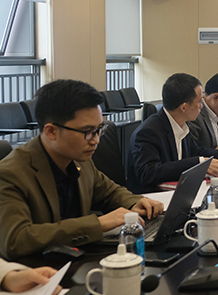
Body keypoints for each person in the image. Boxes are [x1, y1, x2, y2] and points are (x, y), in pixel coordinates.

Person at [0, 80, 164, 260]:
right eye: (87, 131)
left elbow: (109, 192)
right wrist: (97, 224)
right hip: (37, 270)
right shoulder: (10, 173)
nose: (96, 140)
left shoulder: (80, 160)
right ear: (51, 131)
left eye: (99, 129)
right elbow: (15, 240)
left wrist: (136, 202)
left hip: (78, 259)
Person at [128, 73, 218, 194]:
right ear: (184, 107)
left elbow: (196, 152)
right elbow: (148, 173)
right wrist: (198, 163)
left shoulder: (181, 124)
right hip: (153, 197)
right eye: (199, 102)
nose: (201, 106)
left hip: (177, 192)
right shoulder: (148, 132)